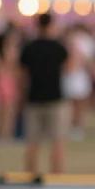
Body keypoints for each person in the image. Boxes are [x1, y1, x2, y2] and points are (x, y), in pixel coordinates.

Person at [20, 13, 69, 174]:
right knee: (58, 142)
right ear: (51, 25)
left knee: (32, 143)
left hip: (33, 98)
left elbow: (22, 75)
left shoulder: (29, 47)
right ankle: (57, 177)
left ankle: (30, 176)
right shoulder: (58, 47)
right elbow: (69, 68)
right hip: (55, 98)